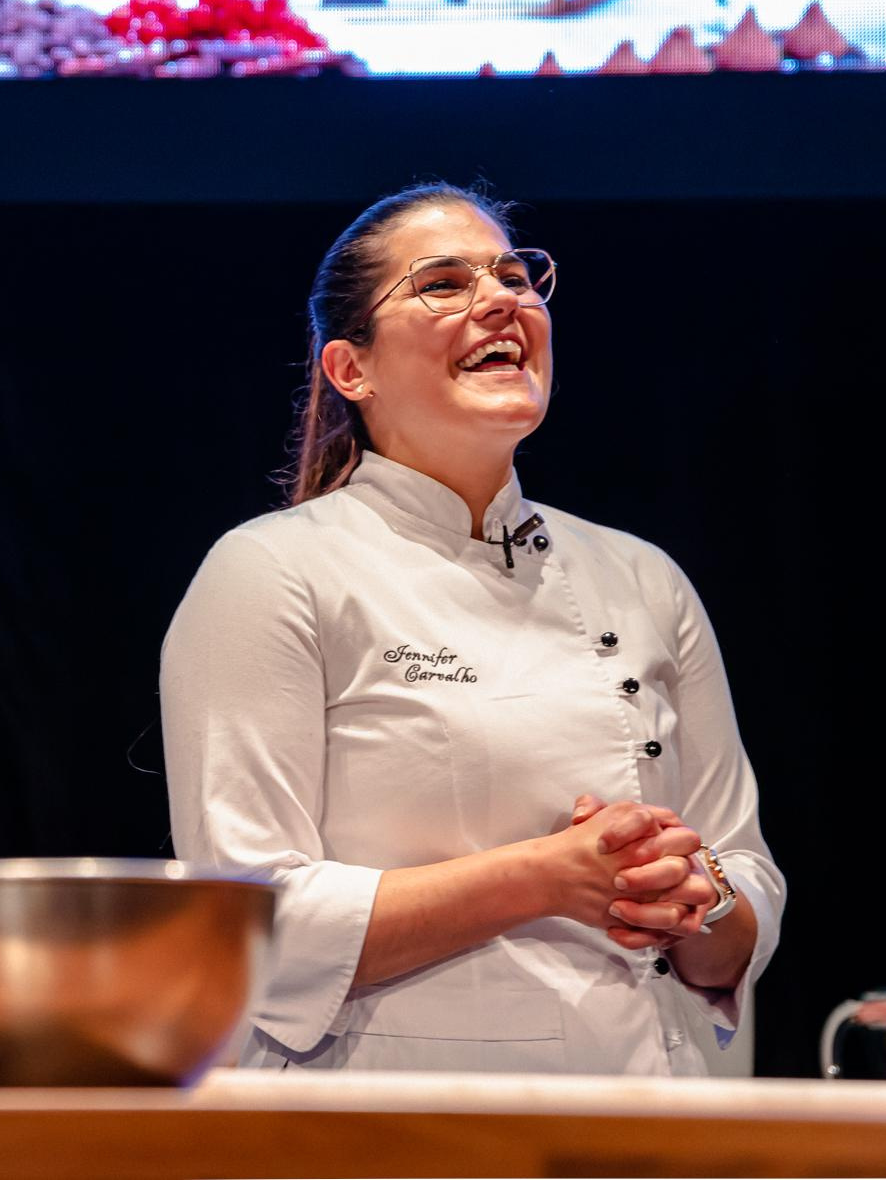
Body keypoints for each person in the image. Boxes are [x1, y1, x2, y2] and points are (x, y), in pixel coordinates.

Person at [161, 183, 782, 1074]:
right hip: (400, 1128)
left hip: (658, 1116)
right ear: (350, 369)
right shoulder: (270, 572)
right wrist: (546, 875)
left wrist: (696, 897)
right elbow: (247, 920)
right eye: (443, 283)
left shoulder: (645, 577)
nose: (502, 299)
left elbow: (745, 875)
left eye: (514, 275)